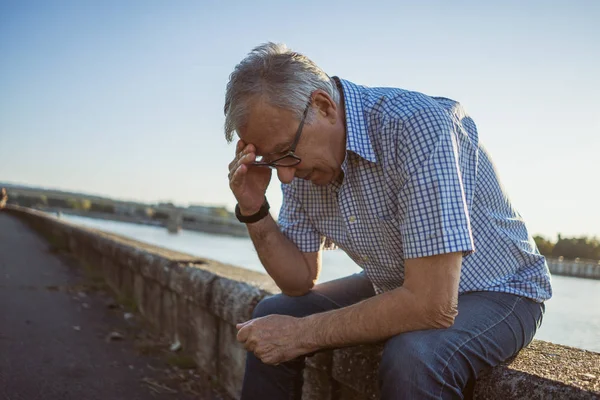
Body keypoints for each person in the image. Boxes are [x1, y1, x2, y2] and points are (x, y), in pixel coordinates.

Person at [224, 43, 552, 400]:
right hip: (399, 281)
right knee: (273, 311)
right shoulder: (302, 156)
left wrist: (300, 334)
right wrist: (254, 208)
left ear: (323, 106)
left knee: (415, 357)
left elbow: (432, 304)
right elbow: (298, 280)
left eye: (287, 153)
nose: (286, 176)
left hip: (501, 289)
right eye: (272, 161)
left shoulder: (417, 126)